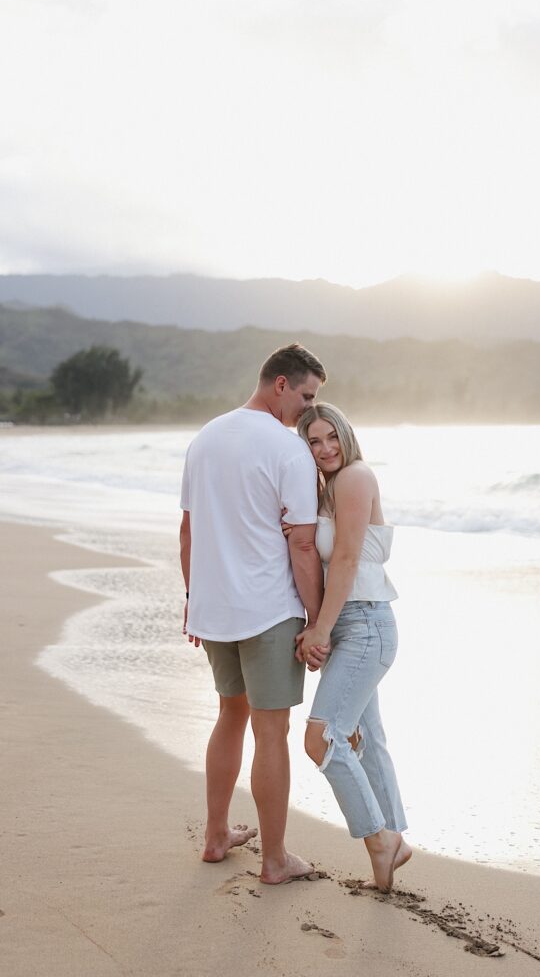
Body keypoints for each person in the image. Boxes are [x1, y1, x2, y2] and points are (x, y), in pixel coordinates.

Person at [179, 343, 327, 884]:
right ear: (281, 384)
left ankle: (217, 836)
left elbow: (188, 531)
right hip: (268, 609)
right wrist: (316, 621)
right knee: (271, 731)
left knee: (229, 715)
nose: (308, 411)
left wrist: (195, 600)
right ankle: (275, 860)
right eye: (306, 396)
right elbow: (304, 547)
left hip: (215, 610)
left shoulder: (206, 437)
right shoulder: (289, 451)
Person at [283, 402, 410, 892]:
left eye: (331, 437)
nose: (325, 448)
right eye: (313, 441)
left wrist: (320, 629)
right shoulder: (326, 488)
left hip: (365, 625)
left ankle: (379, 840)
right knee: (366, 738)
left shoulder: (355, 477)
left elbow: (348, 559)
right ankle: (393, 838)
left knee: (323, 737)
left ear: (346, 434)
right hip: (352, 625)